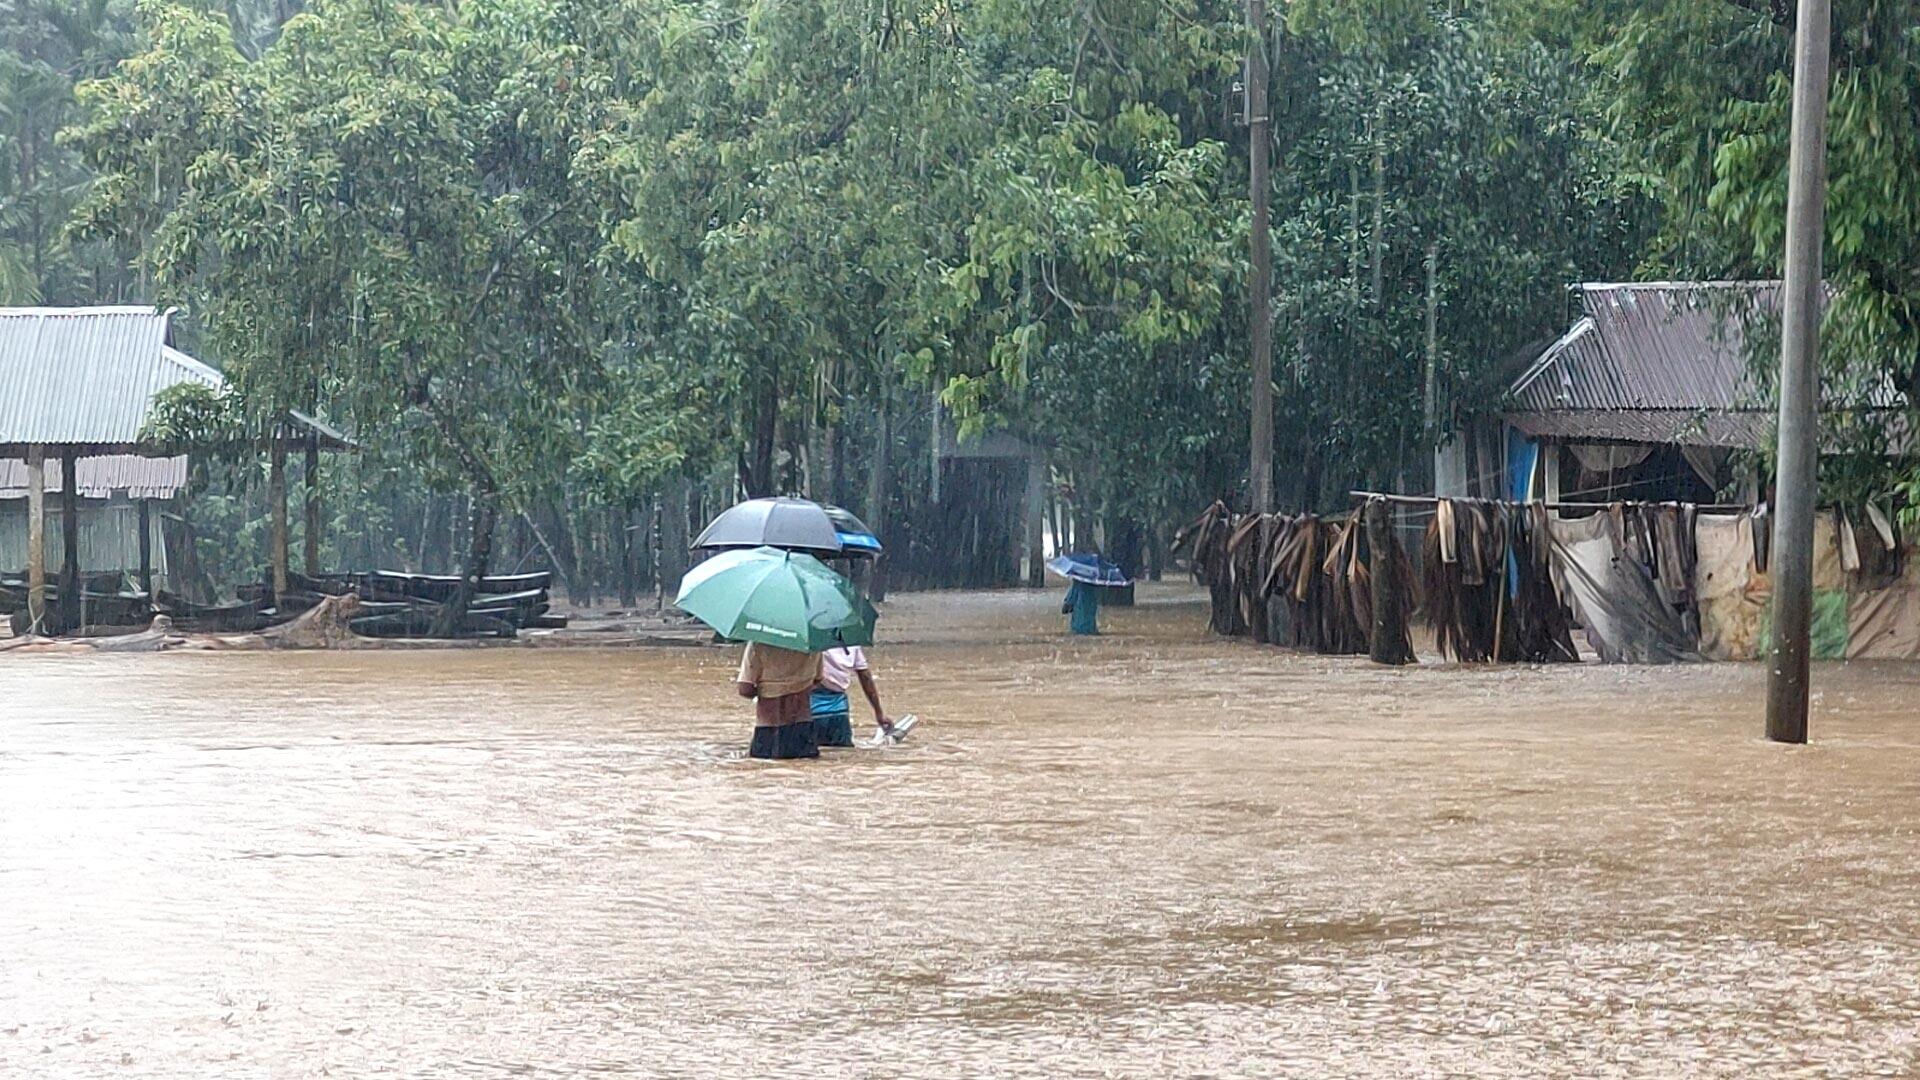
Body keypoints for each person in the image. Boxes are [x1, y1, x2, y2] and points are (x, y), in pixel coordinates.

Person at [736, 641, 823, 759]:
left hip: (769, 728)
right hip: (803, 728)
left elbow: (745, 689)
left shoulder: (758, 643)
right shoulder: (812, 643)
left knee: (767, 773)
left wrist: (769, 692)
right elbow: (818, 679)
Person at [810, 645, 892, 748]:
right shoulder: (852, 645)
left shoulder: (812, 642)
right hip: (839, 712)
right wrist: (879, 712)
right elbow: (865, 677)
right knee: (842, 755)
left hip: (810, 711)